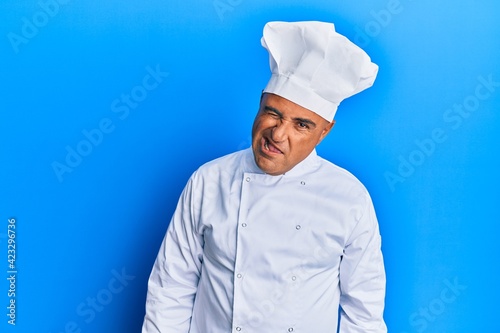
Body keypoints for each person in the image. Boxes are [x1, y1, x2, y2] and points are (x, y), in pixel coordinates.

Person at [142, 21, 387, 333]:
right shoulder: (208, 180)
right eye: (273, 113)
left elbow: (363, 314)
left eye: (301, 125)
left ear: (324, 132)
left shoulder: (350, 197)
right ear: (259, 104)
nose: (278, 134)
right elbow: (170, 288)